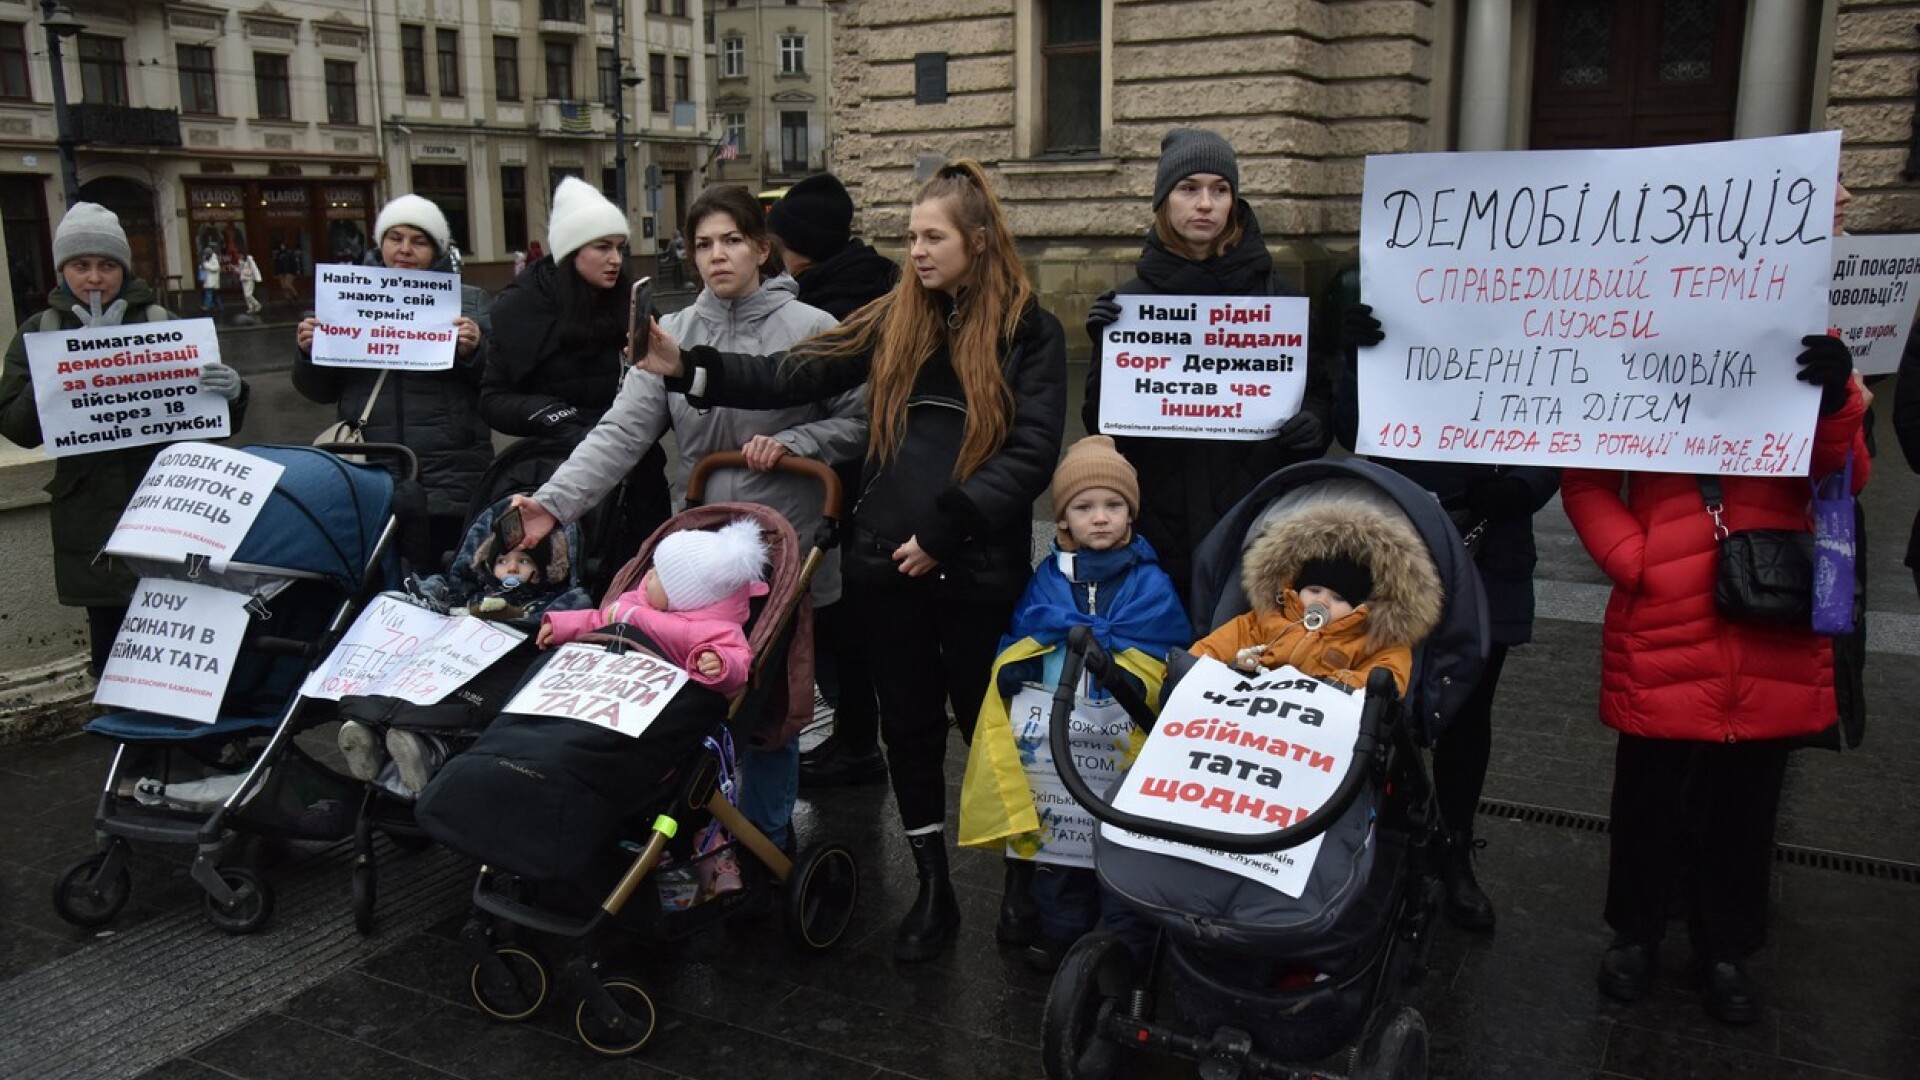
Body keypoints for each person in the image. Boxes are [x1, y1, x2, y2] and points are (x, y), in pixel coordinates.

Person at [634, 159, 1068, 961]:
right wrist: (691, 368)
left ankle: (1018, 887)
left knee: (989, 729)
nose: (918, 252)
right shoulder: (892, 314)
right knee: (906, 729)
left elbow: (1034, 452)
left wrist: (946, 530)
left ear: (978, 240)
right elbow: (795, 371)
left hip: (971, 566)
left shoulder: (1028, 329)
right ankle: (933, 889)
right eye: (910, 237)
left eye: (932, 237)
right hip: (882, 563)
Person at [510, 183, 857, 852]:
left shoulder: (814, 329)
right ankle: (702, 836)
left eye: (732, 240)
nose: (717, 256)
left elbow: (862, 422)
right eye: (703, 244)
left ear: (762, 248)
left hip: (780, 548)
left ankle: (766, 834)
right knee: (690, 693)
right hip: (695, 553)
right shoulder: (673, 337)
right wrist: (550, 504)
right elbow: (620, 433)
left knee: (765, 703)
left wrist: (799, 443)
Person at [1562, 333, 1868, 1025]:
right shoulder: (1631, 346)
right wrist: (1640, 561)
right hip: (1667, 610)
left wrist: (1836, 401)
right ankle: (1635, 935)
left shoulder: (1809, 344)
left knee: (1748, 803)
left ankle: (1725, 948)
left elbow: (1845, 476)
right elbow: (1585, 481)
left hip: (1771, 612)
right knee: (1647, 793)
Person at [1331, 284, 1559, 931]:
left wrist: (1525, 487)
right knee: (1381, 701)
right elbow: (1351, 428)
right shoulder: (1389, 283)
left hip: (1491, 541)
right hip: (1395, 536)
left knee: (1467, 714)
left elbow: (1570, 407)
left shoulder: (1546, 300)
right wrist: (1351, 359)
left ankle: (1453, 851)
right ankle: (1382, 847)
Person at [957, 435, 1189, 970]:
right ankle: (1060, 930)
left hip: (1121, 737)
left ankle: (1122, 937)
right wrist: (1015, 665)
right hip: (1057, 741)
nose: (1101, 518)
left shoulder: (1150, 580)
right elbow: (1025, 632)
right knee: (1059, 835)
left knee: (1119, 835)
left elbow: (1167, 646)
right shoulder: (1048, 579)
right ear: (1063, 520)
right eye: (1085, 507)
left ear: (1132, 514)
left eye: (1114, 505)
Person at [1083, 128, 1335, 607]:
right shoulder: (1130, 305)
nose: (1205, 204)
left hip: (1255, 519)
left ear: (1234, 203)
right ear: (1164, 202)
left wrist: (1314, 424)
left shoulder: (1278, 300)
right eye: (1189, 188)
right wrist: (1107, 353)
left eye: (1220, 190)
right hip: (1159, 523)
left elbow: (1319, 394)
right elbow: (1100, 426)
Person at [0, 202, 249, 675]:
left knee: (176, 644)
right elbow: (16, 428)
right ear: (62, 271)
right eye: (81, 265)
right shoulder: (40, 330)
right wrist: (56, 370)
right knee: (113, 656)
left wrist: (232, 393)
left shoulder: (161, 323)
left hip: (165, 511)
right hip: (91, 520)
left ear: (123, 269)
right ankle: (125, 744)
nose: (94, 278)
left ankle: (184, 744)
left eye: (106, 265)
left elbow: (210, 425)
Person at [768, 171, 902, 789]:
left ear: (804, 244)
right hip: (860, 478)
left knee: (840, 619)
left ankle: (856, 742)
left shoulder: (830, 302)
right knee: (848, 618)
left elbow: (803, 382)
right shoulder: (863, 278)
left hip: (842, 478)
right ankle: (856, 736)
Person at [481, 176, 672, 595]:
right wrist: (558, 417)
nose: (615, 260)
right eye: (602, 247)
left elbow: (664, 391)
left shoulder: (634, 302)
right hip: (553, 472)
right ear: (571, 251)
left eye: (619, 247)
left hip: (635, 477)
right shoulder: (520, 307)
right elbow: (494, 399)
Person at [294, 195, 493, 563]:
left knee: (442, 583)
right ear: (380, 243)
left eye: (419, 241)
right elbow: (317, 390)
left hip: (449, 477)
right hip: (369, 471)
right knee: (376, 586)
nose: (405, 250)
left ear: (437, 249)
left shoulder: (470, 303)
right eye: (395, 238)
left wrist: (475, 352)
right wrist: (309, 353)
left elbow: (496, 385)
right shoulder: (341, 300)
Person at [336, 515, 576, 796]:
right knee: (406, 678)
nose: (511, 567)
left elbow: (569, 615)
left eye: (523, 561)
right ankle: (369, 734)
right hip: (442, 656)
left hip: (490, 665)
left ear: (540, 571)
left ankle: (425, 749)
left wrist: (517, 617)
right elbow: (442, 594)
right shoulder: (470, 591)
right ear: (489, 563)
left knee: (454, 709)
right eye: (503, 561)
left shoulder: (546, 602)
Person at [1189, 496, 1441, 696]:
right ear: (1296, 589)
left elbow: (1388, 678)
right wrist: (1190, 669)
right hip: (1251, 706)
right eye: (1314, 591)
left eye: (1338, 598)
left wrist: (1333, 687)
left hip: (1324, 720)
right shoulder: (1266, 620)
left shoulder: (1373, 640)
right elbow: (1216, 646)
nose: (1322, 601)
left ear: (1361, 606)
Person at [538, 517, 766, 701]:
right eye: (653, 568)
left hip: (661, 697)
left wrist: (719, 663)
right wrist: (561, 627)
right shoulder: (637, 601)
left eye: (658, 576)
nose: (648, 575)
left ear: (681, 598)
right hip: (610, 682)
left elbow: (738, 659)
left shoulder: (713, 630)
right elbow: (601, 621)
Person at [199, 247, 223, 315]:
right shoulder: (205, 258)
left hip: (212, 280)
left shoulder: (214, 259)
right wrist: (202, 265)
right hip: (208, 280)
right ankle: (219, 307)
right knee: (215, 295)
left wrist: (206, 265)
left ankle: (207, 307)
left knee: (208, 294)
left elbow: (216, 268)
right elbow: (202, 267)